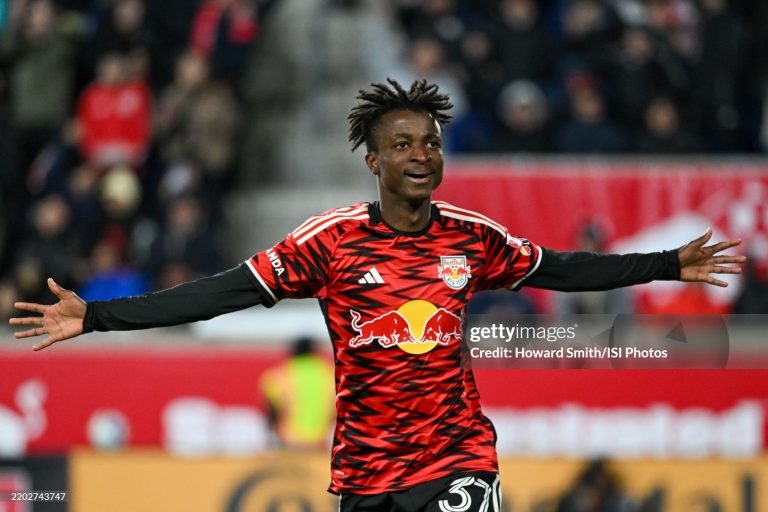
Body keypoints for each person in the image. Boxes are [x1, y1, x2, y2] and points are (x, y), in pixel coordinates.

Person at [10, 79, 745, 511]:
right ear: (373, 159)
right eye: (403, 144)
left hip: (456, 457)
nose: (421, 155)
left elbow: (561, 268)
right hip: (364, 473)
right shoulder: (327, 244)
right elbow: (219, 294)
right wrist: (99, 315)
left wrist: (664, 264)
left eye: (429, 142)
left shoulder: (470, 238)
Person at [259, 336, 335, 451]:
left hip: (288, 442)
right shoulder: (329, 374)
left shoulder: (281, 373)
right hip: (320, 444)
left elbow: (272, 411)